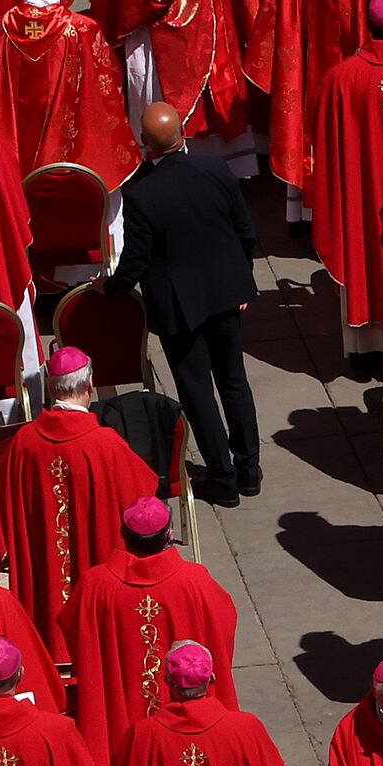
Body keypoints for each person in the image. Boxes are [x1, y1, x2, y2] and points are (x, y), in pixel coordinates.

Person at [121, 102, 261, 504]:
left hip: (181, 308)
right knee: (234, 380)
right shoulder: (217, 171)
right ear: (182, 133)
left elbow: (135, 260)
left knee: (198, 390)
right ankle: (249, 469)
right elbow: (245, 233)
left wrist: (111, 290)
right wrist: (240, 282)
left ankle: (223, 477)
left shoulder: (143, 195)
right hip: (225, 295)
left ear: (146, 144)